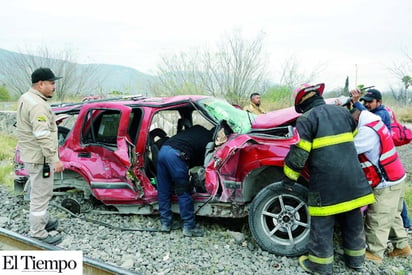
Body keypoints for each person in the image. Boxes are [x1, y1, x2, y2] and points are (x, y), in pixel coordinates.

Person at [283, 83, 375, 274]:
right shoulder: (342, 112)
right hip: (353, 179)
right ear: (319, 96)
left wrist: (289, 178)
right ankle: (356, 260)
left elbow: (300, 153)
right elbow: (353, 134)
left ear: (300, 104)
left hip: (326, 183)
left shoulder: (306, 119)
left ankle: (319, 265)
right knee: (353, 220)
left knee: (322, 224)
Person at [350, 108, 411, 264]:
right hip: (397, 178)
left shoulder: (366, 132)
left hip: (385, 182)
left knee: (378, 216)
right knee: (393, 215)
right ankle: (402, 246)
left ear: (356, 119)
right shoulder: (376, 122)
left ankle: (374, 252)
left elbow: (349, 150)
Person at [351, 88, 412, 233]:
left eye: (369, 102)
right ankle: (404, 228)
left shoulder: (380, 115)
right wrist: (356, 102)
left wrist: (356, 104)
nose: (366, 104)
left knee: (391, 195)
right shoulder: (378, 112)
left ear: (379, 102)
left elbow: (365, 116)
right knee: (395, 196)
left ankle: (406, 224)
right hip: (384, 158)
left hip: (382, 161)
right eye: (364, 101)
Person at [15, 68, 65, 244]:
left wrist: (52, 121)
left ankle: (42, 221)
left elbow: (31, 126)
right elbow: (42, 135)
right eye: (51, 83)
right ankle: (38, 232)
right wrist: (55, 159)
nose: (54, 87)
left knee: (39, 191)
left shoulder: (26, 97)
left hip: (31, 154)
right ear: (40, 84)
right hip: (40, 159)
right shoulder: (38, 105)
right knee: (41, 194)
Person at [157, 124, 213, 237]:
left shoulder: (197, 127)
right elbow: (201, 163)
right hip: (176, 156)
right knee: (183, 190)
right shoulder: (208, 142)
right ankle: (189, 227)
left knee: (163, 189)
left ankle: (165, 223)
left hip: (163, 151)